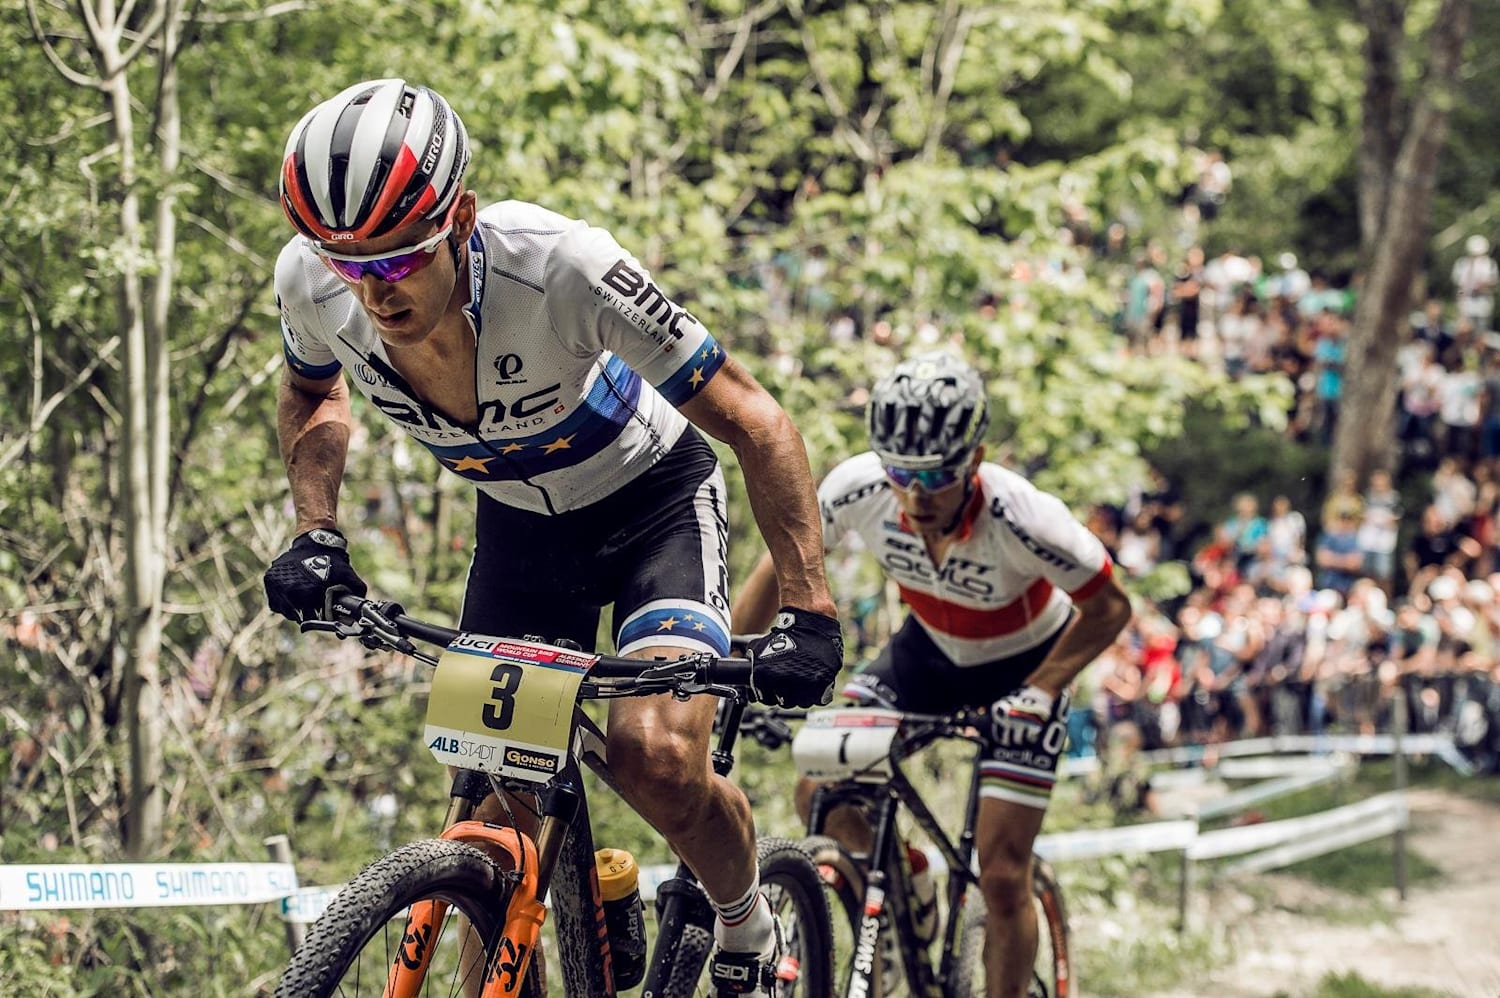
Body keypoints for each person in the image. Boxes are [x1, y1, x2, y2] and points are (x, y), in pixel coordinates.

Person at [261, 79, 844, 995]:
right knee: (489, 820)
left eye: (397, 263)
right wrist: (317, 532)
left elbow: (756, 421)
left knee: (656, 757)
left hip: (652, 505)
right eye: (348, 266)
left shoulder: (564, 268)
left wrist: (810, 610)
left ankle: (746, 921)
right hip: (521, 530)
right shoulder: (310, 280)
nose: (371, 293)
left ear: (458, 218)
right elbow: (310, 391)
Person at [735, 352, 1133, 998]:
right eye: (902, 474)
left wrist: (1042, 690)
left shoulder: (1024, 516)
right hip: (928, 654)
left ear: (974, 461)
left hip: (1026, 666)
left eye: (938, 476)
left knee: (1002, 874)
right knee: (820, 792)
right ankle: (905, 896)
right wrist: (736, 663)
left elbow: (1110, 608)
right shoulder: (858, 487)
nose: (916, 495)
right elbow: (775, 571)